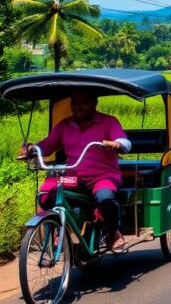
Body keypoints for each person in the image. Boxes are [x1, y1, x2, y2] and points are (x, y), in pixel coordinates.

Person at [20, 91, 133, 253]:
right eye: (74, 103)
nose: (78, 107)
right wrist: (31, 149)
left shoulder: (108, 122)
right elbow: (47, 144)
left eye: (83, 102)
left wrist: (116, 144)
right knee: (45, 193)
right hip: (73, 177)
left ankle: (113, 232)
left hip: (103, 176)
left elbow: (125, 143)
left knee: (104, 198)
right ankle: (57, 228)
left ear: (94, 103)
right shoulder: (65, 126)